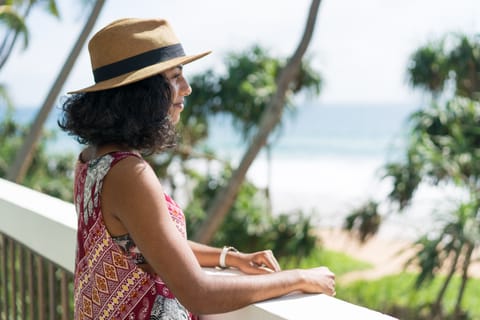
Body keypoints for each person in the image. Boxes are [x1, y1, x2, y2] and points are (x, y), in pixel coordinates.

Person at [59, 18, 335, 320]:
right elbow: (199, 294)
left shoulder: (92, 159)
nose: (187, 89)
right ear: (143, 92)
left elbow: (152, 240)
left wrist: (229, 258)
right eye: (175, 78)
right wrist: (300, 278)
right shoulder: (128, 173)